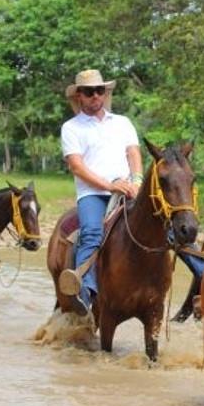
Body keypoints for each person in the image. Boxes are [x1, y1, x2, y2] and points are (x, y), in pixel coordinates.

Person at [59, 69, 142, 316]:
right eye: (88, 92)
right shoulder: (71, 128)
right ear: (79, 96)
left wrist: (136, 180)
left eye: (99, 91)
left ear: (105, 93)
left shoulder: (122, 122)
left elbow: (134, 154)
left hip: (128, 187)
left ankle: (198, 277)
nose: (95, 96)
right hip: (93, 193)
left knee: (164, 224)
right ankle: (86, 289)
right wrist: (109, 186)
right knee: (93, 232)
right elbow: (77, 166)